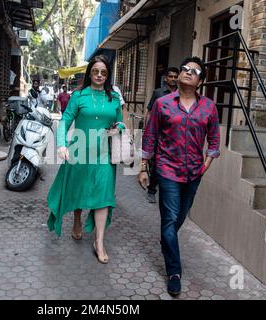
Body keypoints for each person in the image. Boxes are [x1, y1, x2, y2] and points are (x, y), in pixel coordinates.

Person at [138, 56, 220, 297]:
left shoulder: (209, 107)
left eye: (193, 71)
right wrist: (143, 167)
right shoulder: (163, 104)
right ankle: (174, 272)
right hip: (168, 170)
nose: (187, 72)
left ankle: (167, 240)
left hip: (194, 172)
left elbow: (214, 142)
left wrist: (205, 167)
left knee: (177, 220)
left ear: (200, 81)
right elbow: (150, 136)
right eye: (184, 68)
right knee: (170, 219)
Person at [47, 55, 125, 264]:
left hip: (104, 154)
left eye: (104, 72)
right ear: (89, 73)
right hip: (80, 150)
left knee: (103, 194)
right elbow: (64, 120)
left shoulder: (114, 98)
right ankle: (77, 218)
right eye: (95, 71)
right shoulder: (79, 95)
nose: (99, 75)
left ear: (108, 76)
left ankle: (99, 242)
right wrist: (62, 144)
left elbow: (120, 122)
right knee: (80, 188)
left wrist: (118, 128)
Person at [145, 67, 179, 204]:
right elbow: (149, 112)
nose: (173, 79)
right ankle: (152, 190)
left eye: (175, 76)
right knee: (157, 163)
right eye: (170, 76)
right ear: (166, 78)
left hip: (175, 135)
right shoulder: (158, 93)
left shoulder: (181, 93)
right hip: (159, 133)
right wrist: (147, 130)